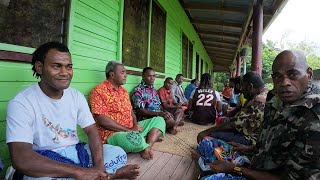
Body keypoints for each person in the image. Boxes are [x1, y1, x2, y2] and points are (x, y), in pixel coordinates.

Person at [6, 42, 139, 180]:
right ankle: (109, 176)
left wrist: (99, 167)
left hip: (76, 151)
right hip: (43, 158)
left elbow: (92, 132)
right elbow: (22, 158)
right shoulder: (21, 103)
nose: (64, 73)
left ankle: (99, 175)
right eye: (56, 66)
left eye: (69, 67)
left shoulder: (76, 96)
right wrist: (78, 171)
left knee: (117, 152)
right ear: (39, 67)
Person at [209, 50, 320, 180]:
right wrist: (251, 148)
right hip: (257, 164)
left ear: (309, 74)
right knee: (211, 154)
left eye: (293, 74)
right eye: (278, 77)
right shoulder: (275, 97)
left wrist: (236, 169)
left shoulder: (314, 120)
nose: (284, 83)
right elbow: (271, 137)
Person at [89, 61, 166, 160]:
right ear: (112, 74)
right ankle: (145, 141)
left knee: (159, 120)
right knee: (131, 139)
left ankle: (146, 146)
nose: (126, 76)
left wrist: (135, 125)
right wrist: (128, 131)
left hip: (131, 129)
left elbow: (131, 112)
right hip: (114, 133)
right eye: (122, 72)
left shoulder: (123, 91)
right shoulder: (98, 91)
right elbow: (101, 119)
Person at [197, 71, 268, 146]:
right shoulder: (263, 94)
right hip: (250, 132)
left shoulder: (258, 100)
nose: (241, 89)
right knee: (222, 125)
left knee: (211, 136)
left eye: (243, 86)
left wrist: (206, 132)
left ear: (250, 86)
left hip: (252, 140)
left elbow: (233, 124)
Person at [132, 67, 178, 134]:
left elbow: (159, 105)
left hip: (159, 113)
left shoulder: (153, 90)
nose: (152, 78)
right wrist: (159, 114)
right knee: (171, 121)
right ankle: (169, 127)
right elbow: (139, 111)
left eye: (153, 76)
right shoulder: (138, 90)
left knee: (178, 111)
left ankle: (169, 127)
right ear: (143, 76)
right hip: (148, 116)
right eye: (149, 76)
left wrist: (166, 112)